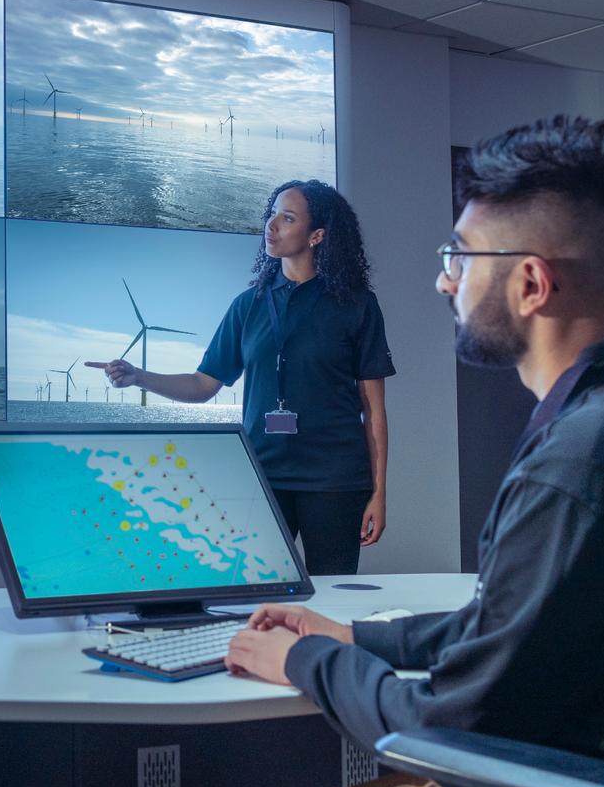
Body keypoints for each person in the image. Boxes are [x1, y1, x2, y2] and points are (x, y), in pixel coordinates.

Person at [188, 117, 604, 787]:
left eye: (460, 256)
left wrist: (305, 659)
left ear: (531, 281)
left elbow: (452, 727)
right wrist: (360, 633)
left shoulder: (581, 461)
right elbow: (518, 625)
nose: (444, 280)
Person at [87, 180, 393, 575]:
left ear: (317, 235)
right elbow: (202, 385)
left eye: (287, 218)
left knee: (331, 600)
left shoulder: (357, 305)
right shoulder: (247, 305)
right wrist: (139, 376)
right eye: (271, 214)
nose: (271, 225)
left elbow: (375, 412)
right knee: (257, 593)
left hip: (334, 482)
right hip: (262, 477)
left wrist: (379, 493)